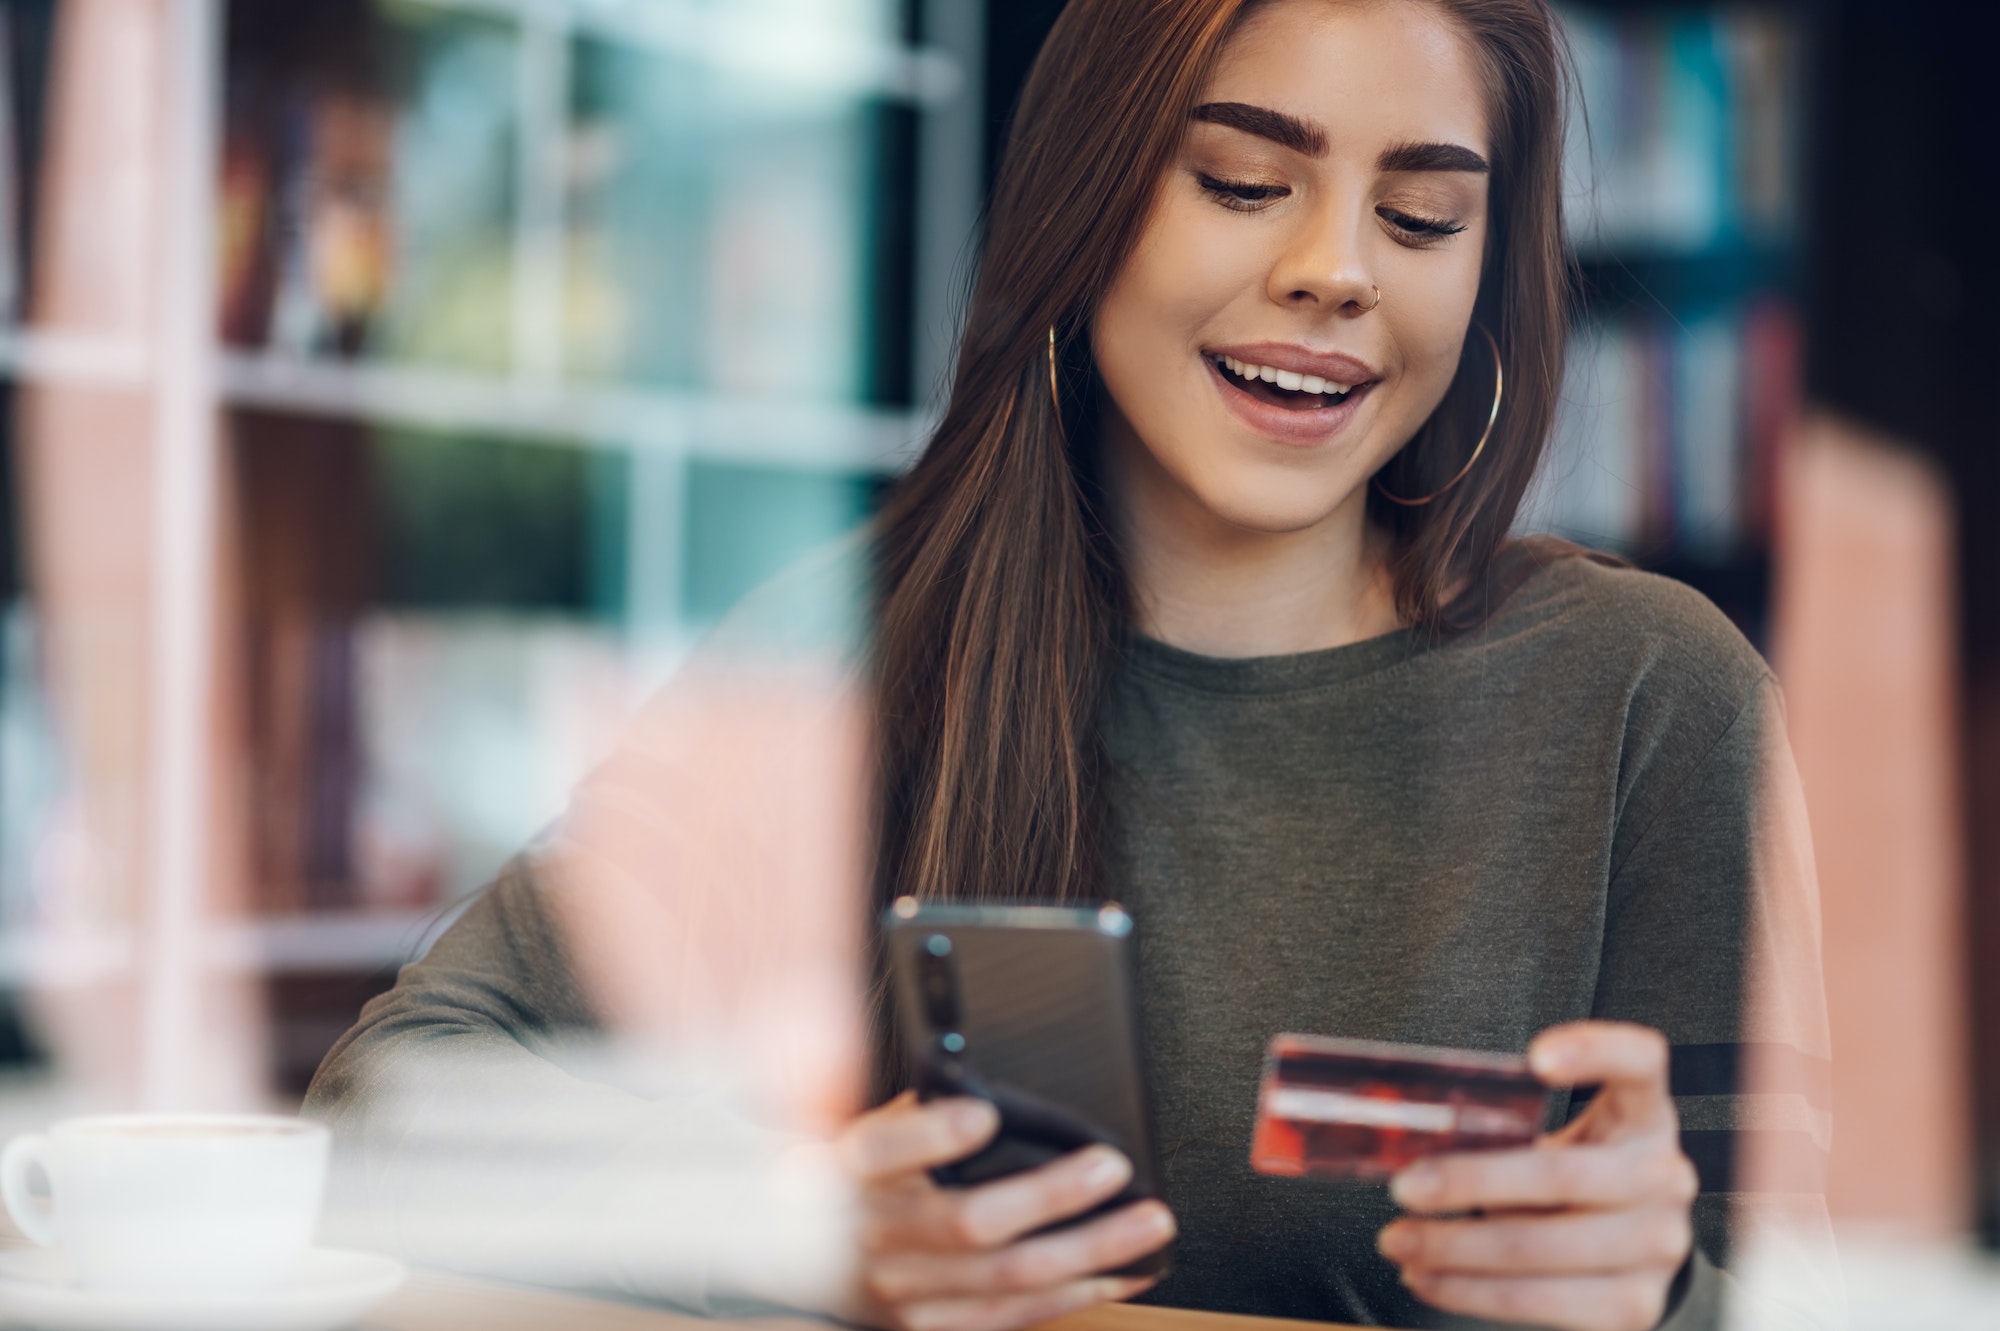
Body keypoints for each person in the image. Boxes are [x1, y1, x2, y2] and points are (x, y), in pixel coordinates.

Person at [307, 2, 1836, 1329]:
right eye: (1245, 182)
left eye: (1423, 218)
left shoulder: (1652, 702)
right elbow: (391, 1106)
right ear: (1087, 203)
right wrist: (793, 1221)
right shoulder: (844, 643)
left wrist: (1654, 1300)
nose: (1338, 270)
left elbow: (1830, 1301)